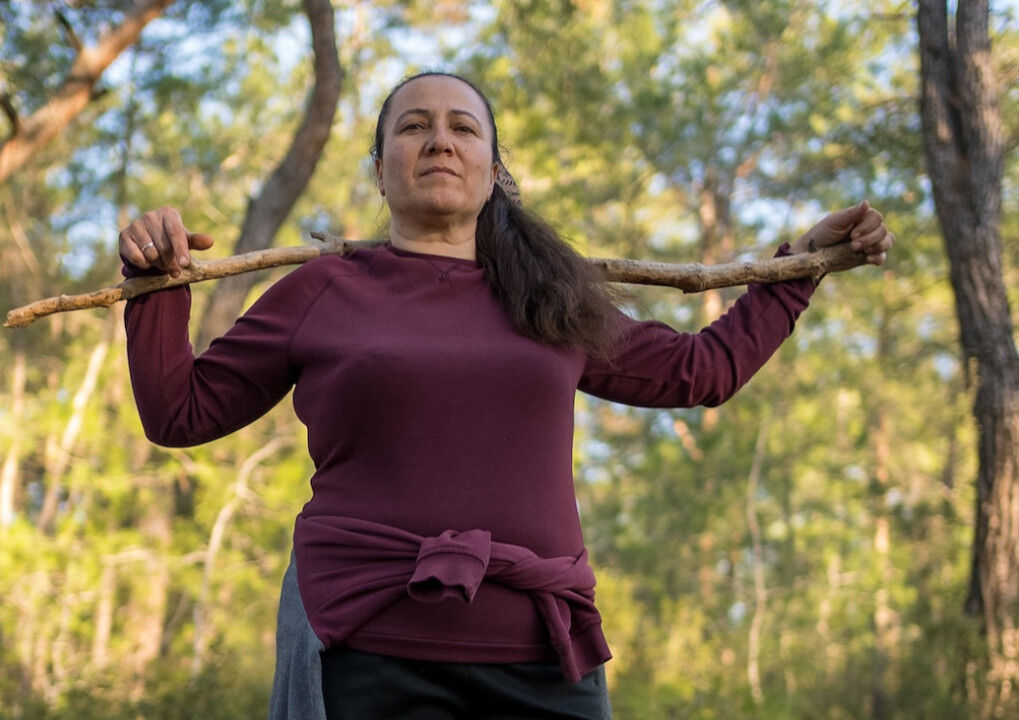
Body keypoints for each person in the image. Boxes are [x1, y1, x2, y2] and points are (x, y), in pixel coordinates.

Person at [118, 72, 893, 720]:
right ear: (381, 170)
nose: (439, 140)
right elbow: (180, 413)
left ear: (493, 168)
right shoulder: (322, 290)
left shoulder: (551, 299)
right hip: (364, 651)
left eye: (462, 128)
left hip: (543, 659)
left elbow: (701, 372)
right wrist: (157, 284)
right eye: (413, 127)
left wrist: (801, 270)